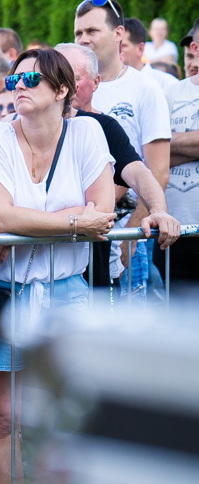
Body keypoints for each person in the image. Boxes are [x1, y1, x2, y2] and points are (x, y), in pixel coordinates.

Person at [0, 48, 116, 484]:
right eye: (14, 76)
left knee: (64, 412)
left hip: (64, 290)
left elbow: (105, 210)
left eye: (31, 77)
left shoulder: (89, 134)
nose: (18, 84)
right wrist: (71, 220)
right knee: (4, 417)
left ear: (63, 90)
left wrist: (20, 227)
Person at [75, 0, 171, 301]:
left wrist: (129, 239)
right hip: (79, 232)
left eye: (92, 30)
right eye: (78, 33)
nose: (83, 39)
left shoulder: (144, 88)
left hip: (124, 233)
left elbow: (157, 171)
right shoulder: (66, 88)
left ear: (118, 33)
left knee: (129, 335)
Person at [161, 16, 199, 285]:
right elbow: (152, 150)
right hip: (174, 231)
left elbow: (162, 147)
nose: (191, 61)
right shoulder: (170, 92)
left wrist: (168, 145)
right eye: (188, 54)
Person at [121, 18, 178, 89]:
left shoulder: (167, 83)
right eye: (156, 29)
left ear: (140, 49)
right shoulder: (108, 81)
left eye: (123, 46)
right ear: (150, 31)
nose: (118, 51)